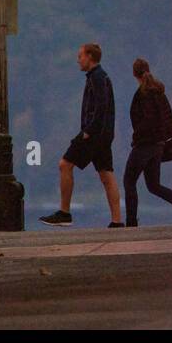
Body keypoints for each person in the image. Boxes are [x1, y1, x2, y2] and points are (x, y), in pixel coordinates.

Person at [39, 44, 124, 227]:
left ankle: (64, 213)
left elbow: (100, 108)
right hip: (103, 136)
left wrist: (87, 131)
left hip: (93, 136)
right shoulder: (100, 77)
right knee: (106, 175)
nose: (78, 60)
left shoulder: (97, 78)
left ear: (90, 57)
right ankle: (117, 221)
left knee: (65, 164)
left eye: (80, 56)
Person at [123, 58, 172, 227]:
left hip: (144, 145)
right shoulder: (158, 91)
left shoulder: (144, 94)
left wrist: (137, 136)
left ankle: (130, 222)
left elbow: (147, 121)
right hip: (158, 146)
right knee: (154, 186)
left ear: (134, 74)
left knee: (129, 181)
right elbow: (167, 119)